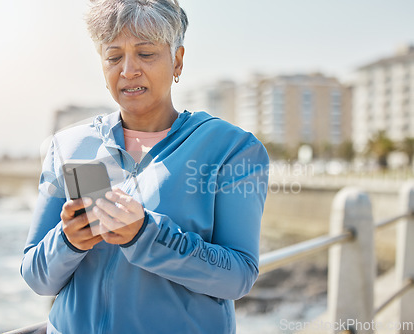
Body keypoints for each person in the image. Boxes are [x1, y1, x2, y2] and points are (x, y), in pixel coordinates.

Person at [21, 0, 269, 333]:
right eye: (113, 57)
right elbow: (38, 277)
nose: (128, 70)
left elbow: (238, 277)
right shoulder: (68, 146)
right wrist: (67, 241)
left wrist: (147, 235)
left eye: (146, 53)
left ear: (177, 60)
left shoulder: (232, 149)